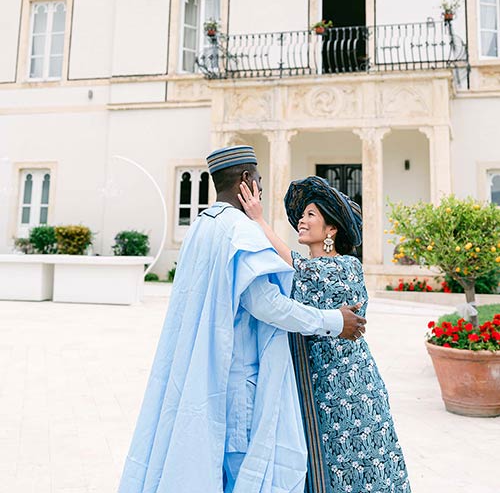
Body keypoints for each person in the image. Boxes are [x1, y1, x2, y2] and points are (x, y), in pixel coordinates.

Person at [118, 147, 366, 493]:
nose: (261, 189)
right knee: (241, 471)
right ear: (247, 181)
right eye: (259, 180)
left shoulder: (201, 227)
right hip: (237, 379)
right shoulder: (241, 231)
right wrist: (334, 321)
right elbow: (268, 305)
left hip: (203, 369)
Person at [239, 175, 412, 493]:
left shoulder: (345, 267)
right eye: (302, 216)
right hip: (321, 382)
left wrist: (258, 219)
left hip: (347, 387)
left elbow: (297, 266)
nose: (302, 222)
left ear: (331, 229)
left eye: (310, 215)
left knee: (351, 463)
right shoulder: (311, 269)